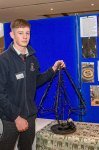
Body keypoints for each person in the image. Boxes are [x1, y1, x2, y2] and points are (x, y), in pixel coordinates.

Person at [0, 19, 65, 150]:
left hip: (30, 115)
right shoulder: (3, 60)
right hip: (11, 118)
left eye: (27, 33)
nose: (25, 36)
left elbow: (36, 81)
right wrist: (16, 117)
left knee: (26, 147)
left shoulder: (32, 58)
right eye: (20, 33)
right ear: (12, 35)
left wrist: (53, 69)